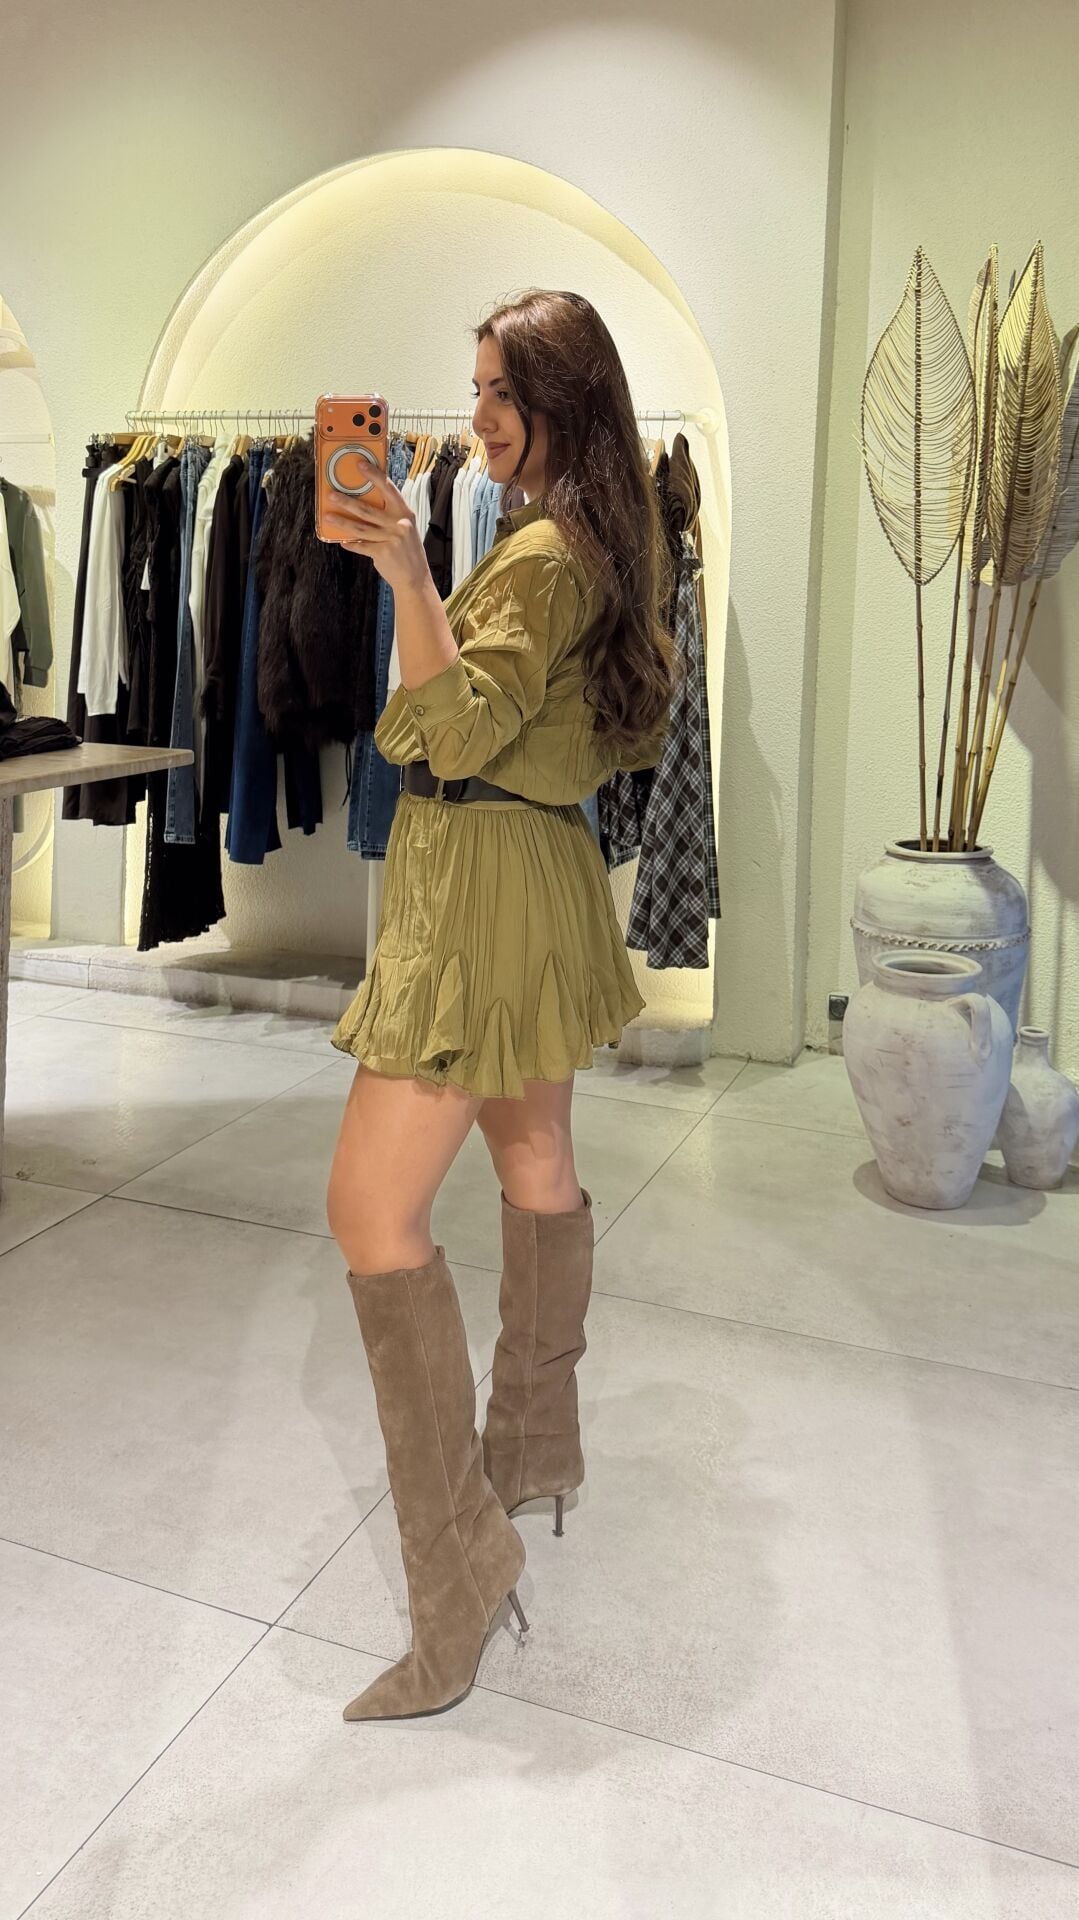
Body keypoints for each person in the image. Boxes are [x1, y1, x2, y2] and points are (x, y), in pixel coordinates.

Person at [324, 288, 678, 1722]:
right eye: (473, 388)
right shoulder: (598, 540)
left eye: (499, 391)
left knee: (370, 1211)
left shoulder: (535, 556)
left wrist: (411, 576)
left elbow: (456, 730)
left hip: (478, 892)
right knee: (536, 1163)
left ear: (559, 400)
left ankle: (459, 1578)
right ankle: (532, 1450)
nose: (476, 417)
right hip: (541, 876)